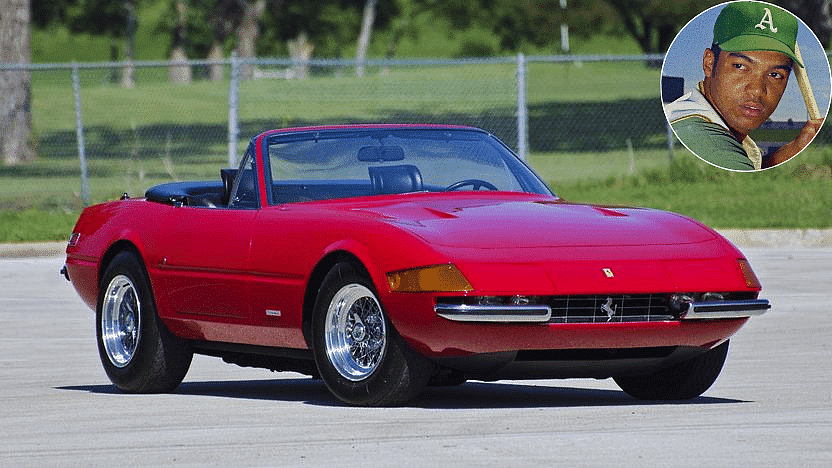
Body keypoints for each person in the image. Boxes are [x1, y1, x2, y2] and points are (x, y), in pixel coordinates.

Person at [665, 1, 824, 170]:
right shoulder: (711, 145)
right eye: (740, 66)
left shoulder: (707, 125)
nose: (757, 90)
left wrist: (795, 149)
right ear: (709, 63)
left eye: (775, 74)